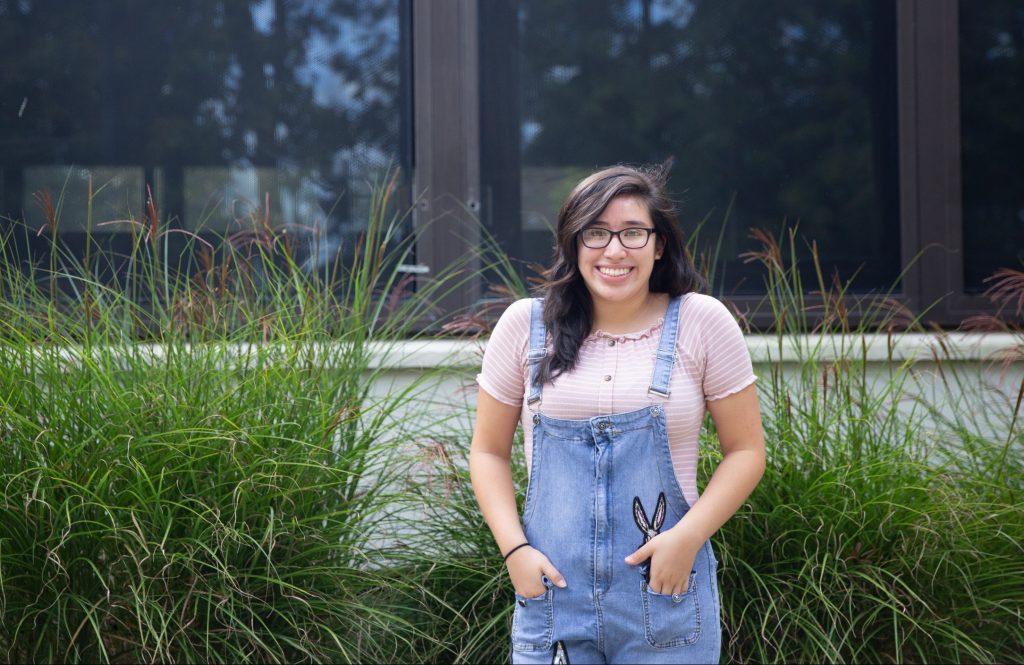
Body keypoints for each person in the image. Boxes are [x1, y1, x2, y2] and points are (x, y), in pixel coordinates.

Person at [470, 163, 765, 664]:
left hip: (666, 594)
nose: (614, 250)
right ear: (573, 242)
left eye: (632, 233)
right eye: (596, 233)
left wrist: (688, 537)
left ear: (658, 244)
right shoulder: (525, 326)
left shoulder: (701, 321)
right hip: (552, 595)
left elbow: (747, 451)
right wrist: (515, 553)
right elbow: (487, 452)